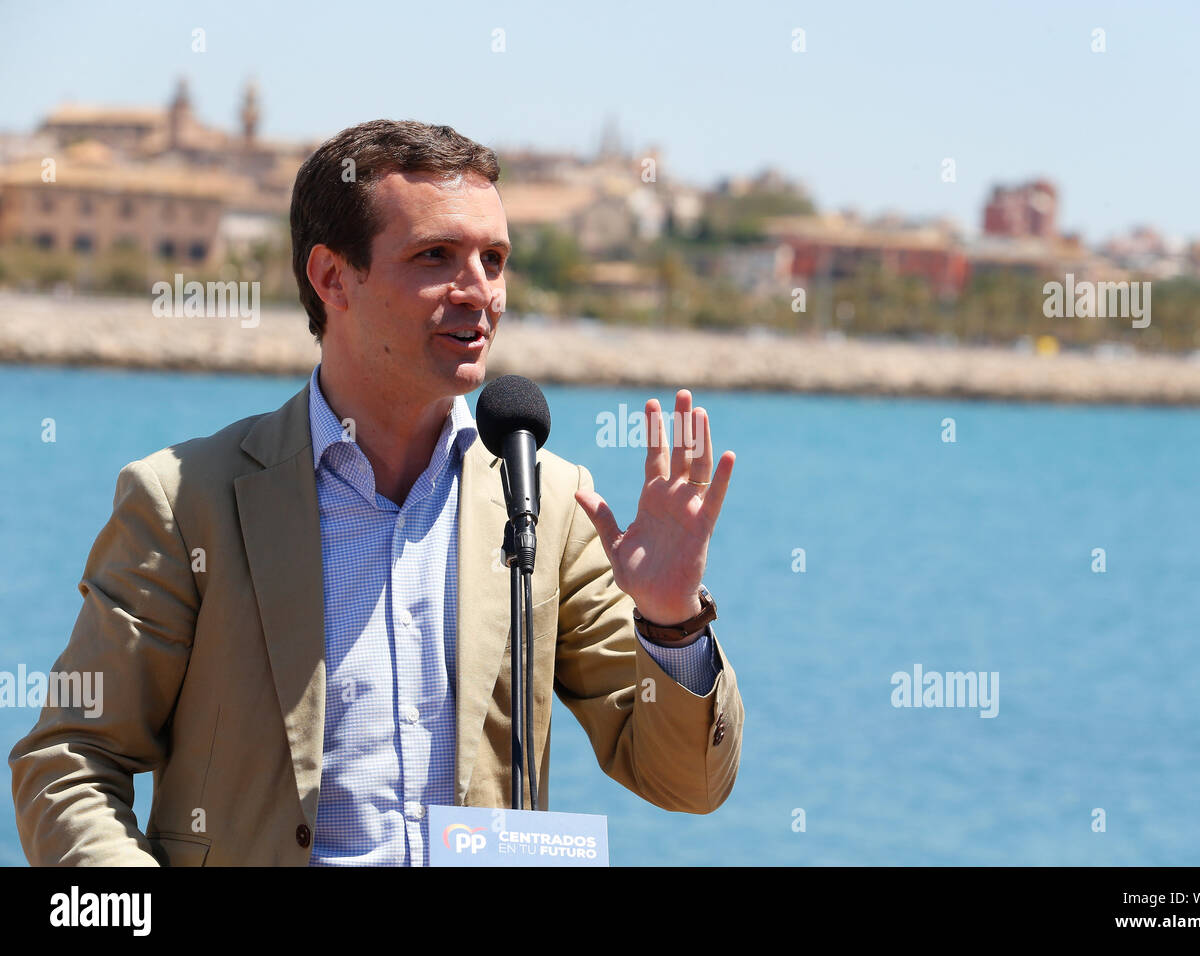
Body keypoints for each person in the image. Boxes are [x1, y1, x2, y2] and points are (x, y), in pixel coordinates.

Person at [8, 120, 744, 866]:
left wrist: (672, 621)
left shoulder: (552, 504)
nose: (479, 291)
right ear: (332, 278)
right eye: (436, 257)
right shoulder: (185, 499)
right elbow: (69, 761)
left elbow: (687, 782)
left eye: (494, 259)